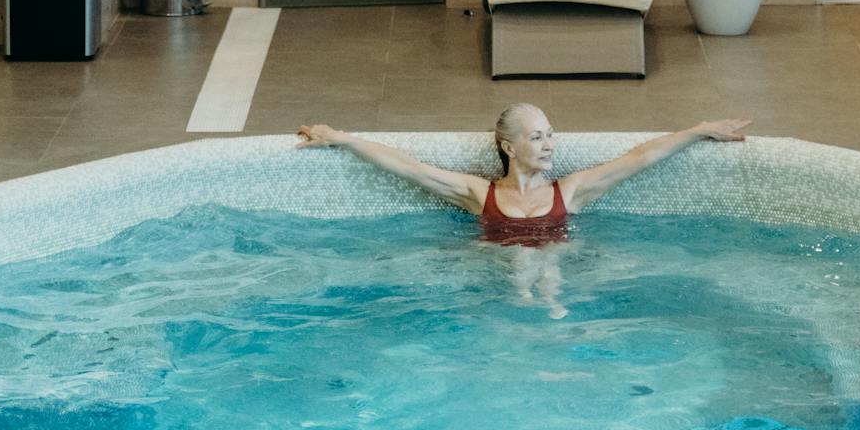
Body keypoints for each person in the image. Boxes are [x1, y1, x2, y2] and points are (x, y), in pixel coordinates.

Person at [294, 105, 752, 244]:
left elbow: (638, 157)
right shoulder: (479, 194)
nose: (550, 144)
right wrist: (342, 138)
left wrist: (699, 130)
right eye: (537, 137)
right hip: (498, 300)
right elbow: (408, 166)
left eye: (551, 134)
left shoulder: (569, 192)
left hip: (555, 307)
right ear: (509, 147)